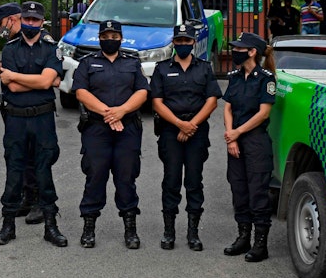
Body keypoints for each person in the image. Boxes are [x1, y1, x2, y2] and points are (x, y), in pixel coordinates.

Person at [0, 1, 67, 247]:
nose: (31, 23)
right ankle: (8, 226)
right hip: (16, 118)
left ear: (42, 22)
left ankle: (51, 226)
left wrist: (14, 75)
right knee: (14, 171)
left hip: (42, 119)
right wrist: (31, 80)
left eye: (35, 20)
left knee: (44, 170)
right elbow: (13, 87)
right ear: (20, 20)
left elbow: (47, 83)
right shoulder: (10, 49)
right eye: (27, 19)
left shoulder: (51, 47)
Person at [71, 19, 148, 249]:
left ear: (121, 39)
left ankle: (130, 229)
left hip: (128, 128)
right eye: (106, 36)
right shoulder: (87, 62)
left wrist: (122, 111)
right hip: (97, 129)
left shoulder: (132, 62)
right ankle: (89, 228)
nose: (110, 40)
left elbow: (142, 91)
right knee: (95, 175)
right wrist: (109, 114)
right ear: (99, 37)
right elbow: (81, 92)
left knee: (126, 177)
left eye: (115, 37)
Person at [150, 23, 222, 251]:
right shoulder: (162, 69)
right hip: (171, 131)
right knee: (171, 181)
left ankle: (193, 233)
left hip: (197, 131)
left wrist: (192, 125)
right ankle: (169, 231)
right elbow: (157, 102)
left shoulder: (204, 68)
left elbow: (212, 100)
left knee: (194, 181)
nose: (182, 44)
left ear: (193, 42)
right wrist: (180, 124)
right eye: (178, 41)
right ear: (174, 42)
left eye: (186, 41)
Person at [0, 2, 44, 225]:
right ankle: (27, 197)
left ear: (13, 19)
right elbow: (7, 71)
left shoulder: (40, 41)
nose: (0, 29)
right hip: (13, 109)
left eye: (2, 24)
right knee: (17, 156)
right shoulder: (13, 43)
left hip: (32, 109)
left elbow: (43, 79)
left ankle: (40, 202)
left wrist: (13, 81)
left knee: (35, 156)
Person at [221, 31, 277, 263]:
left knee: (257, 192)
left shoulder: (266, 78)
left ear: (252, 52)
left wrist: (238, 132)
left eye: (239, 48)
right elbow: (227, 108)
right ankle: (243, 236)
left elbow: (263, 113)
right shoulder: (234, 76)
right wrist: (231, 138)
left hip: (255, 141)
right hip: (236, 141)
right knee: (239, 190)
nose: (235, 51)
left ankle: (260, 244)